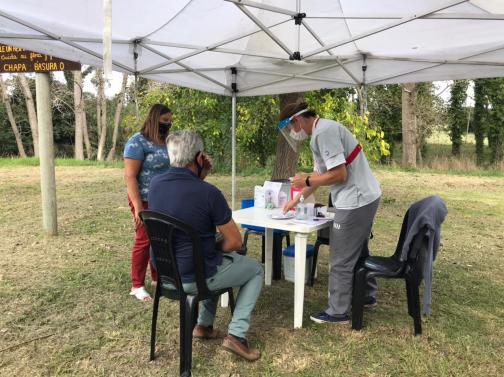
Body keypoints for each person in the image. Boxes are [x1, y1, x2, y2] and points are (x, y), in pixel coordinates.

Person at [149, 129, 264, 361]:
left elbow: (183, 198)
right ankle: (237, 335)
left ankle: (203, 326)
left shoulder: (155, 184)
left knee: (209, 260)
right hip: (194, 277)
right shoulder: (209, 193)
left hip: (166, 274)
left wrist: (199, 176)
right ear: (200, 158)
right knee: (255, 270)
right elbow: (234, 242)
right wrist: (212, 247)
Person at [279, 101, 381, 324]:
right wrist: (295, 200)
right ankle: (366, 295)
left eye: (290, 128)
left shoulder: (323, 132)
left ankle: (338, 311)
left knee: (341, 256)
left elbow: (339, 175)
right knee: (358, 249)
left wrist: (304, 179)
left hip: (356, 199)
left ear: (297, 120)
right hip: (363, 196)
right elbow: (319, 176)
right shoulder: (321, 131)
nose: (292, 134)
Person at [123, 104, 172, 301]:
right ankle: (137, 285)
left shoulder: (167, 141)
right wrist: (137, 207)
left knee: (160, 239)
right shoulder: (137, 142)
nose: (168, 124)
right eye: (165, 121)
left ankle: (157, 277)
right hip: (143, 198)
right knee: (144, 239)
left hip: (164, 198)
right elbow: (130, 176)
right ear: (154, 118)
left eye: (170, 121)